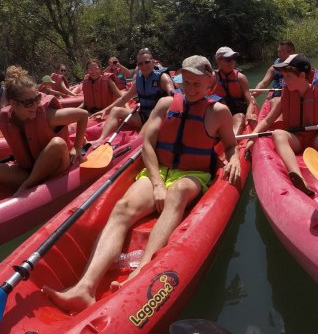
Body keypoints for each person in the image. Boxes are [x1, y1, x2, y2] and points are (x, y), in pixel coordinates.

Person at [42, 55, 241, 313]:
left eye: (197, 84)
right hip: (159, 171)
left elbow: (230, 145)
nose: (190, 89)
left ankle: (142, 273)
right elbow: (147, 143)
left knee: (178, 193)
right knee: (123, 207)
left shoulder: (219, 112)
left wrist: (234, 158)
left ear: (210, 84)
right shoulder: (166, 104)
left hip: (193, 174)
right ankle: (85, 288)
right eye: (187, 83)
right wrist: (157, 183)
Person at [245, 54, 318, 195]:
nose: (284, 81)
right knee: (278, 134)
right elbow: (268, 120)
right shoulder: (285, 94)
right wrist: (252, 137)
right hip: (296, 139)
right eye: (283, 76)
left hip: (317, 138)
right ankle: (297, 176)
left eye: (288, 76)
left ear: (302, 75)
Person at [0, 65, 88, 195]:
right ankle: (29, 185)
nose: (35, 106)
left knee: (57, 143)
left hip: (56, 169)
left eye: (37, 99)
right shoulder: (4, 118)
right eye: (29, 103)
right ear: (13, 104)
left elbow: (83, 115)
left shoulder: (48, 115)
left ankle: (26, 187)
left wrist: (77, 147)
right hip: (27, 171)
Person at [89, 48, 175, 145]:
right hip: (142, 116)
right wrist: (105, 110)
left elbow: (173, 95)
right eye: (140, 64)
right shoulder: (139, 79)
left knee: (149, 124)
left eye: (146, 62)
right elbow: (124, 98)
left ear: (152, 62)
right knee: (115, 110)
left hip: (157, 119)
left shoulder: (162, 77)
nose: (144, 66)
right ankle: (101, 139)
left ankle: (136, 143)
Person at [210, 46, 256, 134]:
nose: (232, 62)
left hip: (237, 113)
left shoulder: (241, 78)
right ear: (218, 60)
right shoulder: (212, 78)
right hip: (220, 114)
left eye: (234, 59)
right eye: (228, 59)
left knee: (240, 116)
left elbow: (250, 102)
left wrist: (249, 114)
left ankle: (232, 141)